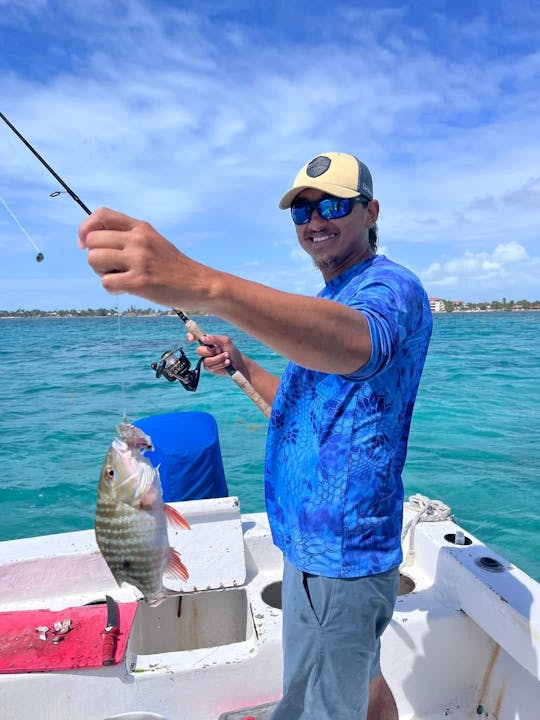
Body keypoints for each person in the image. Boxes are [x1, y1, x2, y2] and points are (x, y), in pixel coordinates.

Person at [78, 151, 433, 720]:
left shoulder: (391, 289)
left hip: (338, 555)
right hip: (313, 549)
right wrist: (241, 363)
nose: (316, 220)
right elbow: (305, 413)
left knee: (321, 706)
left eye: (335, 205)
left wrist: (205, 285)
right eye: (302, 211)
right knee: (359, 686)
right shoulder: (331, 300)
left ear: (371, 211)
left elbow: (356, 345)